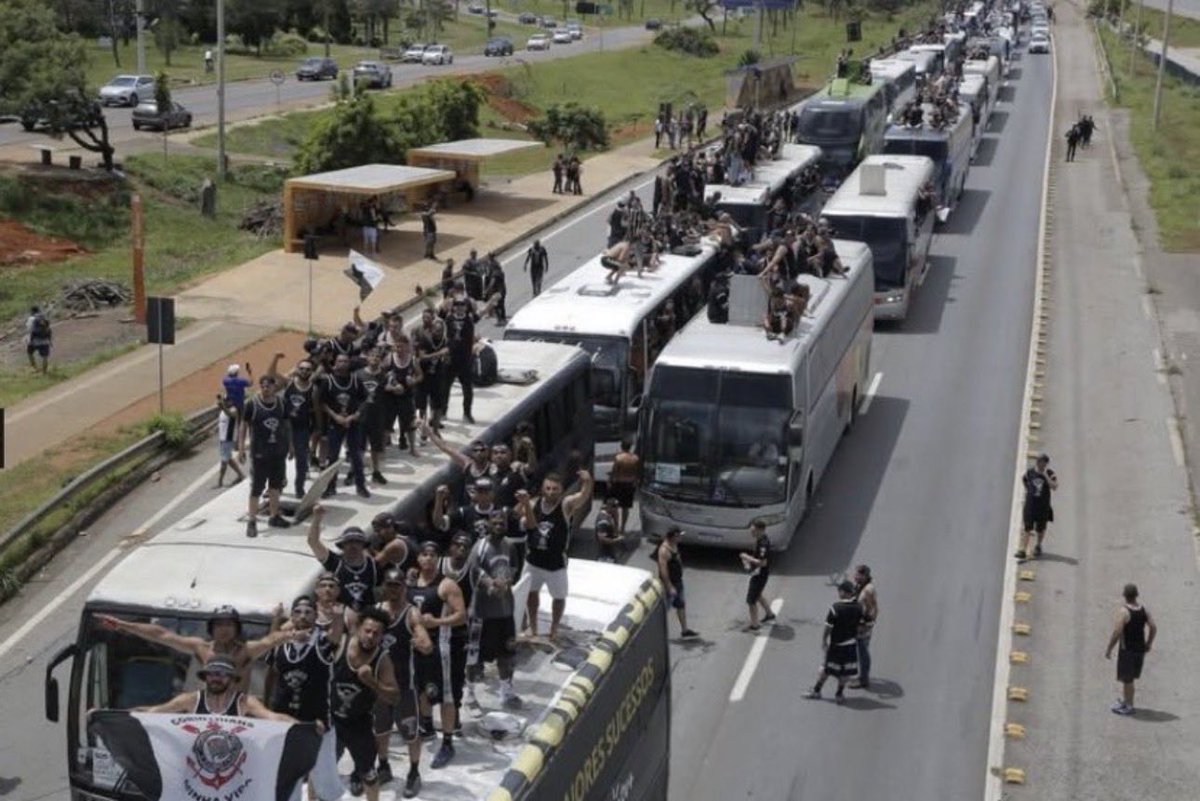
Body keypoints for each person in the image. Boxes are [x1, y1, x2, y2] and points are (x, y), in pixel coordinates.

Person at [97, 605, 295, 691]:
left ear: (236, 629)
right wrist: (124, 625)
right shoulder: (201, 648)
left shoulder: (246, 651)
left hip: (238, 714)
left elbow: (271, 641)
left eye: (228, 625)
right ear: (211, 629)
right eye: (218, 625)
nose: (223, 630)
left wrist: (292, 632)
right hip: (205, 713)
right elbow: (161, 635)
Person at [372, 570, 432, 797]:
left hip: (404, 687)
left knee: (410, 732)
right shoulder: (376, 612)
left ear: (404, 587)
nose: (394, 589)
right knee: (381, 730)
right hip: (379, 687)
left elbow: (424, 639)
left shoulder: (411, 613)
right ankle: (384, 765)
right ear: (384, 586)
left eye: (398, 585)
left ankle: (414, 772)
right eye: (390, 584)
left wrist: (423, 643)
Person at [408, 542, 467, 769]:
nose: (428, 558)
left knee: (446, 695)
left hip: (441, 647)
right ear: (418, 559)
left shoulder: (446, 584)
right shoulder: (410, 583)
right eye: (424, 554)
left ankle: (448, 742)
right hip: (416, 646)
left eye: (433, 555)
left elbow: (462, 616)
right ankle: (427, 727)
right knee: (422, 690)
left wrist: (437, 621)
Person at [331, 607, 400, 800]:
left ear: (382, 636)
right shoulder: (341, 644)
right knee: (320, 769)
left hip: (359, 723)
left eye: (376, 633)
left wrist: (372, 683)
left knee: (369, 774)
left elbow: (394, 697)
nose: (370, 636)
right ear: (358, 628)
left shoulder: (383, 659)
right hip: (333, 720)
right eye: (367, 631)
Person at [518, 470, 594, 641]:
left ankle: (554, 628)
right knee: (531, 593)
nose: (551, 492)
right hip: (533, 560)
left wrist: (587, 482)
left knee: (558, 597)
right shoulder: (534, 503)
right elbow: (522, 519)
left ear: (561, 490)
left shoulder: (565, 504)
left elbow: (582, 497)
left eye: (555, 489)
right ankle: (533, 626)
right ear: (543, 489)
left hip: (555, 563)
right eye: (548, 488)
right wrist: (522, 504)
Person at [466, 510, 524, 709]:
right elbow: (472, 571)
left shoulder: (510, 546)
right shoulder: (479, 547)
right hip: (481, 614)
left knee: (507, 654)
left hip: (505, 611)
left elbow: (515, 568)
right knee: (473, 657)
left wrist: (506, 582)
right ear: (488, 524)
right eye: (495, 523)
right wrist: (490, 584)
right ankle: (470, 695)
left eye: (502, 523)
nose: (499, 526)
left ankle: (506, 692)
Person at [139, 655, 297, 721]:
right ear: (205, 676)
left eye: (222, 674)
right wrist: (122, 715)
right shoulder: (191, 700)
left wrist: (305, 727)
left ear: (231, 678)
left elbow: (274, 718)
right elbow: (155, 711)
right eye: (212, 674)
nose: (216, 678)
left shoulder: (244, 702)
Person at [307, 505, 401, 610]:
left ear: (363, 545)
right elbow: (313, 542)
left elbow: (395, 583)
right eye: (349, 542)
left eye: (357, 542)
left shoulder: (374, 566)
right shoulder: (335, 562)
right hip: (339, 614)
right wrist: (317, 518)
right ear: (342, 546)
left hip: (366, 616)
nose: (353, 545)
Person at [238, 374, 292, 537]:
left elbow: (287, 424)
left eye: (269, 386)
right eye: (263, 386)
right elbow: (243, 425)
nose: (265, 388)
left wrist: (291, 446)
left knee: (276, 486)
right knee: (257, 488)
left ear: (275, 387)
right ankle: (252, 520)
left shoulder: (282, 403)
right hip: (260, 453)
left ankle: (274, 516)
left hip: (278, 452)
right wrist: (241, 447)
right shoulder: (252, 404)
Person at [319, 353, 370, 499]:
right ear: (335, 363)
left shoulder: (355, 380)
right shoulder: (328, 381)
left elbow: (365, 400)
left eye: (345, 361)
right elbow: (322, 402)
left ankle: (361, 486)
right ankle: (330, 487)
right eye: (340, 361)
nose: (343, 363)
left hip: (352, 423)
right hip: (335, 423)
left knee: (356, 456)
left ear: (349, 363)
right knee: (332, 457)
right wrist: (335, 416)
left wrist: (355, 415)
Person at [804, 581, 865, 704]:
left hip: (836, 646)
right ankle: (839, 694)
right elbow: (864, 624)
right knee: (845, 671)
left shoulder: (836, 608)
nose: (838, 593)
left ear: (844, 592)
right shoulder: (859, 607)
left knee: (826, 668)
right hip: (851, 645)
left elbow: (828, 627)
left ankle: (816, 690)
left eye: (840, 591)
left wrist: (824, 640)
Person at [1105, 583, 1157, 716]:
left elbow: (1117, 632)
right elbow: (1153, 627)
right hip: (1140, 649)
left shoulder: (1124, 611)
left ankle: (1129, 706)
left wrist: (1109, 648)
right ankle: (1126, 701)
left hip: (1127, 650)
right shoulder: (1144, 610)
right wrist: (1148, 643)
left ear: (1125, 596)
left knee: (1128, 680)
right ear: (1136, 595)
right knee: (1128, 678)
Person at [283, 359, 317, 498]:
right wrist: (276, 358)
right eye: (302, 368)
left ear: (311, 372)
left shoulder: (313, 389)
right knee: (278, 458)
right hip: (283, 427)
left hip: (301, 429)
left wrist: (317, 429)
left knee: (301, 461)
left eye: (308, 369)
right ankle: (278, 484)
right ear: (297, 369)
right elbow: (272, 374)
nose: (304, 371)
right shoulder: (289, 383)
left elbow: (316, 410)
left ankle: (299, 488)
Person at [442, 296, 479, 423]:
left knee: (467, 388)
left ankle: (467, 413)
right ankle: (443, 411)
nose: (459, 307)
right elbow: (435, 310)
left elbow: (482, 311)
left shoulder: (470, 319)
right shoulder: (449, 318)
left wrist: (491, 301)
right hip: (451, 359)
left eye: (462, 305)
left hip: (465, 359)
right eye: (457, 305)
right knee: (445, 387)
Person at [656, 527, 698, 638]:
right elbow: (663, 570)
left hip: (678, 581)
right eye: (679, 535)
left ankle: (684, 630)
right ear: (674, 536)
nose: (681, 537)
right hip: (670, 583)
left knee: (681, 605)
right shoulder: (664, 551)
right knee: (664, 608)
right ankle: (657, 632)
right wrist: (669, 586)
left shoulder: (675, 545)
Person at [1015, 453, 1058, 560]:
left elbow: (1055, 486)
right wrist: (1029, 490)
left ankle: (1038, 545)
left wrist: (1045, 476)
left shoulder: (1050, 473)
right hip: (1030, 505)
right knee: (1027, 527)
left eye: (1043, 462)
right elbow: (1024, 479)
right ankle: (1022, 550)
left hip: (1043, 506)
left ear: (1046, 463)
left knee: (1040, 528)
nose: (1040, 464)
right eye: (1039, 461)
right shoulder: (1030, 472)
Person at [739, 520, 777, 631]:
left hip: (760, 574)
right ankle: (769, 614)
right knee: (758, 594)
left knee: (751, 600)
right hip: (759, 573)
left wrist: (746, 557)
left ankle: (754, 625)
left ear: (761, 530)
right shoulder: (760, 540)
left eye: (754, 530)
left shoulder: (763, 544)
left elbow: (763, 562)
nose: (752, 533)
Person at [850, 565, 877, 689]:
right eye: (856, 574)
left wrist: (864, 625)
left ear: (865, 576)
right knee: (861, 650)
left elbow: (872, 609)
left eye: (859, 575)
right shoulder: (860, 585)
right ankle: (862, 676)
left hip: (863, 626)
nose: (856, 576)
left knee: (863, 652)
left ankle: (863, 679)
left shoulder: (867, 591)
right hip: (859, 623)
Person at [608, 440, 640, 537]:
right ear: (630, 447)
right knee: (625, 507)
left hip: (618, 483)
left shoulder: (618, 458)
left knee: (615, 506)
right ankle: (623, 527)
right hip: (629, 484)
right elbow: (637, 472)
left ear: (622, 447)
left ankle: (616, 527)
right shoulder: (635, 458)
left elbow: (614, 471)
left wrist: (610, 481)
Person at [215, 395, 245, 488]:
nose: (225, 402)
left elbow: (230, 414)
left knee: (224, 461)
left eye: (227, 400)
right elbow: (221, 423)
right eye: (224, 400)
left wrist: (222, 406)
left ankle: (220, 482)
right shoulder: (222, 412)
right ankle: (240, 475)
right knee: (228, 459)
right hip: (222, 439)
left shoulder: (233, 410)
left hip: (228, 439)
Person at [594, 496, 625, 563]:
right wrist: (617, 540)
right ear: (609, 506)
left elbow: (615, 532)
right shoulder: (603, 521)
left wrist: (616, 519)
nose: (616, 510)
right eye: (614, 507)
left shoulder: (609, 516)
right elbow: (602, 539)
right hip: (604, 556)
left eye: (616, 507)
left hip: (610, 554)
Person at [25, 305, 52, 373]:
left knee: (29, 353)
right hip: (45, 340)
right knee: (45, 357)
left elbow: (30, 329)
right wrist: (50, 340)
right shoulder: (43, 317)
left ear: (32, 311)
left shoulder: (31, 319)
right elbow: (49, 329)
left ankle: (35, 368)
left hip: (34, 340)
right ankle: (44, 372)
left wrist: (30, 340)